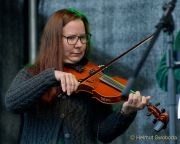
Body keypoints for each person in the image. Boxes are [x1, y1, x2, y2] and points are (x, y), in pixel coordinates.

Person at [5, 8, 151, 144]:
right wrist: (51, 76)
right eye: (71, 38)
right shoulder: (32, 73)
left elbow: (103, 133)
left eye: (83, 37)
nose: (79, 44)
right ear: (54, 41)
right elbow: (12, 103)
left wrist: (125, 113)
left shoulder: (94, 78)